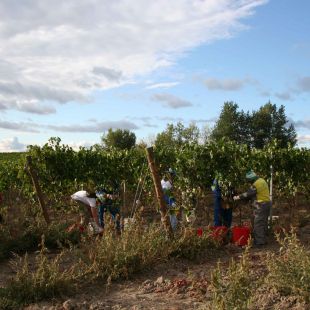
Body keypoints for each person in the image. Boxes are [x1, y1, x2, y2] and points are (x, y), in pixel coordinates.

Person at [233, 170, 271, 246]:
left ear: (252, 179)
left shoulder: (256, 184)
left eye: (249, 181)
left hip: (260, 205)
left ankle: (259, 243)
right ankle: (263, 240)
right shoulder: (262, 180)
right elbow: (254, 195)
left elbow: (248, 194)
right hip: (266, 204)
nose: (249, 183)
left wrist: (238, 197)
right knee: (263, 223)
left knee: (258, 224)